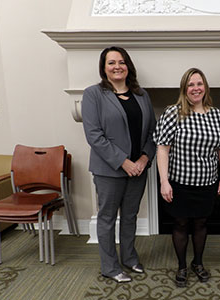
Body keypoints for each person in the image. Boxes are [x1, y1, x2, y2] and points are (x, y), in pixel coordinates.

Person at [82, 46, 156, 283]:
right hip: (109, 171)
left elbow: (153, 132)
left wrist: (144, 158)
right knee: (107, 218)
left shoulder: (142, 95)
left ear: (128, 66)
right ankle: (110, 267)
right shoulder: (93, 94)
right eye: (111, 62)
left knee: (130, 216)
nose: (117, 66)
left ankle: (130, 258)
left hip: (139, 169)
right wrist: (124, 162)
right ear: (104, 68)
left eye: (122, 62)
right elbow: (94, 135)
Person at [154, 68, 220, 287]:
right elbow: (162, 149)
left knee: (201, 223)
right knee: (180, 224)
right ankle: (182, 266)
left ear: (205, 87)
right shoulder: (173, 112)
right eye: (190, 85)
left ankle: (198, 263)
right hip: (180, 183)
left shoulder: (216, 115)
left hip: (207, 182)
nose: (195, 88)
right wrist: (164, 181)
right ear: (184, 89)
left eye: (199, 84)